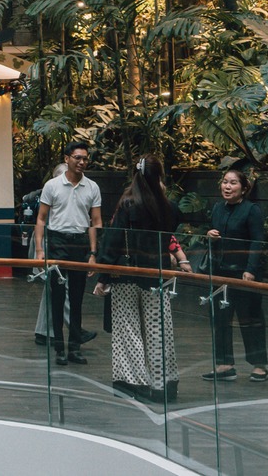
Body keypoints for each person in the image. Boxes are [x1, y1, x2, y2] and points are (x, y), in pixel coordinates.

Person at [97, 153, 192, 400]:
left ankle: (133, 382)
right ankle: (164, 384)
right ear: (159, 177)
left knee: (128, 329)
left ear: (136, 176)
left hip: (126, 273)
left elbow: (113, 240)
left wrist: (103, 276)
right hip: (157, 273)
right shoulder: (168, 207)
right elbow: (169, 234)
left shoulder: (128, 204)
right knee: (159, 329)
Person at [32, 141, 102, 365]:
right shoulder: (52, 185)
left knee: (77, 298)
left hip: (80, 243)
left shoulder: (92, 187)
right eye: (77, 157)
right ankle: (59, 348)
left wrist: (93, 253)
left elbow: (96, 221)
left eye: (85, 158)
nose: (81, 162)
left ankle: (74, 348)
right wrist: (40, 250)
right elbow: (41, 218)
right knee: (58, 296)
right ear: (67, 159)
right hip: (58, 241)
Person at [205, 168, 268, 382]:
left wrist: (250, 270)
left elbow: (257, 241)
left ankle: (259, 364)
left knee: (250, 319)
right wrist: (210, 235)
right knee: (220, 319)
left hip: (244, 274)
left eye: (233, 183)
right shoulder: (217, 208)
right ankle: (225, 364)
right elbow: (214, 235)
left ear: (243, 188)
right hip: (220, 273)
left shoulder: (251, 210)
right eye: (225, 182)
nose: (227, 186)